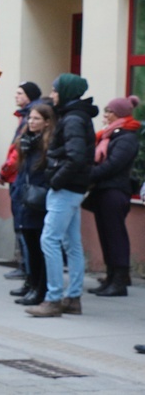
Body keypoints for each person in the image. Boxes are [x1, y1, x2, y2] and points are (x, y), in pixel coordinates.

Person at [26, 73, 97, 318]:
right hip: (73, 188)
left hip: (66, 189)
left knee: (49, 240)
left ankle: (53, 298)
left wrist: (55, 180)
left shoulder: (73, 119)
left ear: (65, 92)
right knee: (71, 244)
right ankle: (73, 298)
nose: (52, 94)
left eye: (55, 90)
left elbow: (76, 157)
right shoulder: (75, 116)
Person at [86, 95, 140, 297]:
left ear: (118, 114)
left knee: (115, 236)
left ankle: (119, 280)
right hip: (103, 190)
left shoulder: (127, 137)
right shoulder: (108, 136)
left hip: (115, 191)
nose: (105, 115)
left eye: (109, 111)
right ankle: (110, 277)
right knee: (106, 235)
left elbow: (113, 165)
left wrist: (88, 175)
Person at [0, 82, 43, 282]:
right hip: (19, 179)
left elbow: (17, 154)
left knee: (24, 227)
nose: (15, 96)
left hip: (21, 180)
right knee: (22, 226)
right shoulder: (24, 117)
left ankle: (27, 269)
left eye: (20, 93)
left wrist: (4, 173)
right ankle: (26, 267)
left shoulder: (29, 119)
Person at [9, 104, 55, 306]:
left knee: (39, 247)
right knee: (29, 243)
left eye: (36, 119)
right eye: (30, 118)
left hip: (39, 199)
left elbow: (49, 173)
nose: (32, 122)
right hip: (24, 197)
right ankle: (32, 284)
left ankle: (40, 289)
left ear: (46, 122)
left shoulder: (48, 144)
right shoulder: (25, 141)